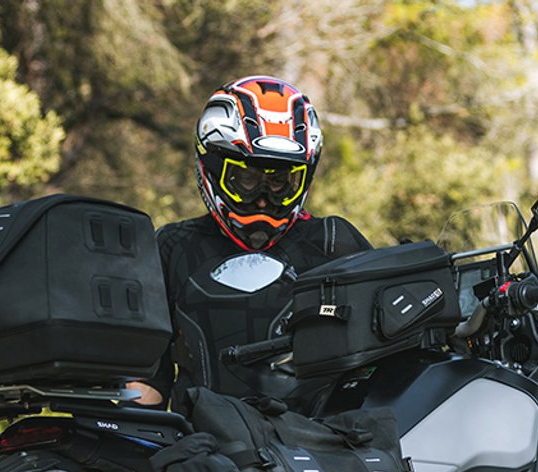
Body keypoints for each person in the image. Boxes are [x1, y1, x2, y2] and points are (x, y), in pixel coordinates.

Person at [130, 75, 371, 412]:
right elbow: (145, 380)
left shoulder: (334, 242)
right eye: (246, 178)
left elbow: (383, 360)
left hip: (317, 440)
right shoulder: (175, 247)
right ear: (212, 168)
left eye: (280, 181)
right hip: (202, 442)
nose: (262, 198)